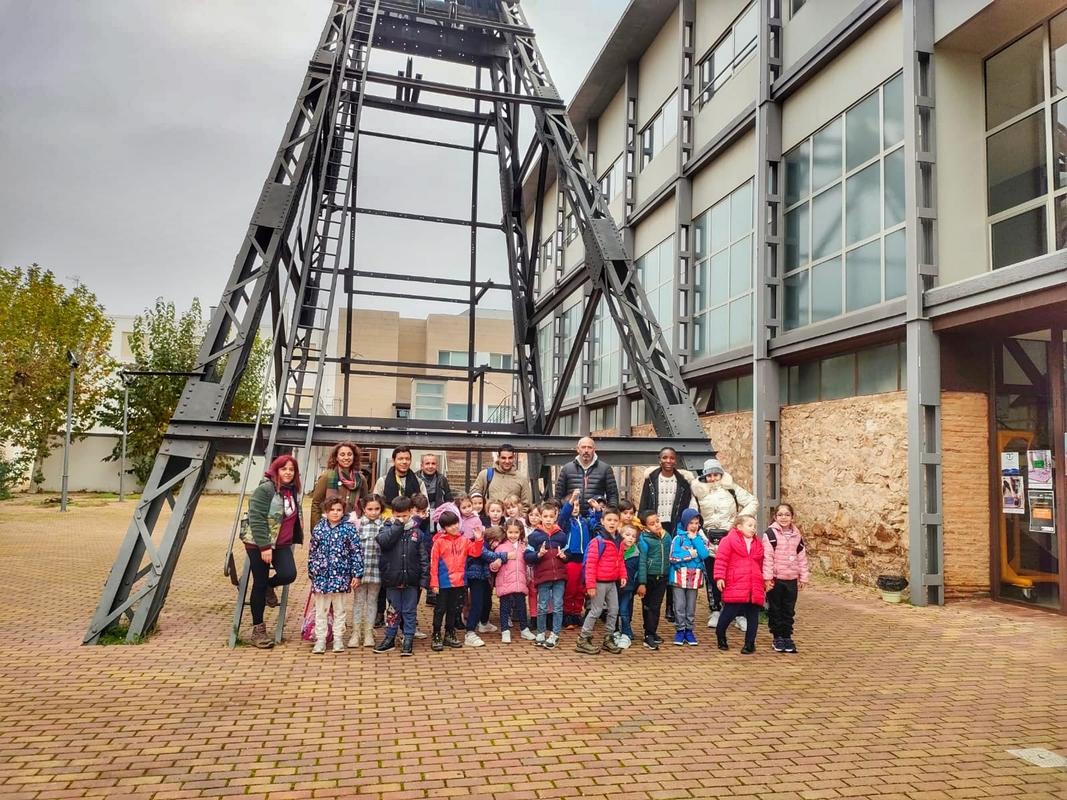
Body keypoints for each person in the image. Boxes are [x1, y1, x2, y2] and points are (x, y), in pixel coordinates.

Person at [241, 454, 303, 650]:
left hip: (281, 544)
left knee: (288, 574)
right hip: (259, 543)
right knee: (258, 582)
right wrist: (265, 547)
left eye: (291, 470)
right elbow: (256, 518)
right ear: (276, 470)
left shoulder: (292, 491)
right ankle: (258, 630)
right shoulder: (265, 489)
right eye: (284, 469)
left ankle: (270, 586)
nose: (288, 473)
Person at [690, 457, 758, 630]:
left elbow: (752, 501)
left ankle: (739, 613)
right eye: (709, 475)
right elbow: (693, 514)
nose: (713, 478)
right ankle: (716, 609)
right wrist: (699, 533)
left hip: (731, 538)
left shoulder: (732, 489)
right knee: (712, 577)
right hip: (708, 539)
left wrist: (739, 523)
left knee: (736, 577)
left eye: (716, 475)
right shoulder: (698, 493)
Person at [307, 498, 363, 654]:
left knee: (340, 609)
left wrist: (357, 574)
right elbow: (312, 551)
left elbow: (356, 552)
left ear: (343, 511)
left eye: (338, 510)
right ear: (326, 511)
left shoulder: (349, 529)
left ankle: (338, 638)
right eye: (332, 510)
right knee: (321, 610)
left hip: (341, 576)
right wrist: (312, 570)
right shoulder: (319, 529)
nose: (335, 513)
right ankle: (320, 639)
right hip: (321, 577)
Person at [374, 497, 428, 657]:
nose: (401, 519)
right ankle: (389, 637)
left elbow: (423, 557)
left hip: (411, 579)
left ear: (411, 512)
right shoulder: (387, 528)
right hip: (392, 578)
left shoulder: (416, 532)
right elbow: (383, 541)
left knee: (410, 611)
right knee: (393, 611)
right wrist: (397, 526)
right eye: (398, 516)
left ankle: (408, 638)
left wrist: (424, 578)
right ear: (393, 513)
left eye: (404, 516)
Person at [429, 510, 484, 651]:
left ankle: (449, 632)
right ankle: (436, 633)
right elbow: (433, 564)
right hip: (443, 582)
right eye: (449, 525)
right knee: (440, 609)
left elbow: (475, 552)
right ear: (444, 528)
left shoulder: (464, 540)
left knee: (454, 609)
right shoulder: (439, 542)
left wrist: (478, 540)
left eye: (455, 524)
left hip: (459, 582)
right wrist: (434, 583)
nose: (454, 527)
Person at [575, 507, 625, 655]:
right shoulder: (597, 541)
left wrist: (623, 575)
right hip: (598, 582)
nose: (612, 523)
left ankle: (608, 638)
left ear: (619, 523)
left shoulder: (619, 541)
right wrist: (590, 585)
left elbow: (620, 560)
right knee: (595, 611)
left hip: (612, 583)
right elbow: (590, 564)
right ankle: (583, 639)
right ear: (602, 521)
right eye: (609, 520)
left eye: (615, 520)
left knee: (614, 610)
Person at [714, 514, 766, 654]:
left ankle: (750, 643)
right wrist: (720, 577)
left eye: (755, 526)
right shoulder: (728, 540)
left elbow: (761, 564)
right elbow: (721, 560)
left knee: (753, 615)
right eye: (750, 525)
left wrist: (764, 580)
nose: (753, 529)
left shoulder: (757, 543)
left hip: (753, 584)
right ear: (739, 526)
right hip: (735, 582)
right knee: (729, 612)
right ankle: (720, 634)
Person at [763, 503, 809, 654]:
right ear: (775, 517)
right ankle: (777, 637)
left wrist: (803, 577)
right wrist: (768, 578)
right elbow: (767, 558)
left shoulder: (797, 535)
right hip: (776, 579)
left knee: (788, 610)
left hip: (791, 579)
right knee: (775, 609)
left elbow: (801, 557)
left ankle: (787, 636)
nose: (784, 518)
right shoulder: (770, 534)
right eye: (780, 515)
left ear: (792, 517)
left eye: (787, 515)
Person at [525, 501, 568, 648]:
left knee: (557, 606)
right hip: (543, 577)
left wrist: (564, 556)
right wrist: (538, 554)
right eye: (545, 516)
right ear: (541, 517)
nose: (548, 519)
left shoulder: (562, 535)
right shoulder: (534, 536)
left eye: (551, 516)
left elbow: (569, 554)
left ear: (556, 517)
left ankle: (555, 634)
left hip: (560, 577)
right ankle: (541, 632)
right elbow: (527, 556)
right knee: (542, 606)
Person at [490, 518, 536, 643]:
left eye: (516, 532)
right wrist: (495, 564)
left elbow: (528, 563)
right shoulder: (500, 547)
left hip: (520, 582)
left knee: (521, 607)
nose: (513, 535)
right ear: (506, 532)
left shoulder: (524, 547)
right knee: (505, 607)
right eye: (510, 532)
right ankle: (505, 630)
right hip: (505, 583)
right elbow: (493, 566)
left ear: (520, 532)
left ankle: (524, 629)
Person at [668, 508, 709, 647]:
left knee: (691, 607)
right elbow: (673, 557)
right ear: (685, 523)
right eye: (691, 522)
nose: (694, 526)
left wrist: (695, 540)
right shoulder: (678, 538)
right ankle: (680, 630)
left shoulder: (701, 538)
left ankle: (689, 630)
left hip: (694, 579)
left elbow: (704, 554)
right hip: (679, 578)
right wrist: (689, 555)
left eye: (697, 523)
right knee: (679, 605)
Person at [559, 488, 599, 628]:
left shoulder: (585, 521)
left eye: (577, 505)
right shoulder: (567, 523)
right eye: (572, 506)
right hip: (571, 559)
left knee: (581, 589)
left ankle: (576, 613)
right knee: (570, 589)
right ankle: (567, 614)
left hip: (584, 560)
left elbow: (598, 524)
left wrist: (598, 510)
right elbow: (563, 516)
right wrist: (571, 500)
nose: (575, 508)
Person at [349, 495, 385, 648]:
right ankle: (356, 632)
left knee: (372, 601)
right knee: (358, 601)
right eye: (370, 509)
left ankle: (369, 632)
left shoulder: (384, 525)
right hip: (360, 571)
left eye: (377, 509)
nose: (373, 512)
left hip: (377, 569)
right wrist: (353, 571)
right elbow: (352, 549)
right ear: (364, 509)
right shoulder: (356, 525)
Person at [464, 526, 507, 646]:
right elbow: (487, 555)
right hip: (476, 577)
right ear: (491, 537)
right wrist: (505, 555)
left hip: (484, 577)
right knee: (477, 604)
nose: (497, 544)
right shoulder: (480, 543)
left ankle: (484, 622)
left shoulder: (492, 547)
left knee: (487, 601)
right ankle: (470, 631)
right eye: (497, 540)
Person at [638, 447, 694, 536]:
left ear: (675, 461)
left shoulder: (683, 482)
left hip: (675, 525)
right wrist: (643, 523)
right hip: (654, 524)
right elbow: (644, 503)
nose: (668, 461)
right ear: (660, 460)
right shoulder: (651, 479)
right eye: (665, 457)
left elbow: (686, 505)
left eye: (672, 458)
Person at [636, 511, 671, 650]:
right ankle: (648, 634)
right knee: (648, 606)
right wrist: (642, 583)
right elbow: (642, 561)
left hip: (662, 576)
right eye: (652, 523)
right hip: (649, 577)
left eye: (657, 521)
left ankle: (652, 631)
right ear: (645, 527)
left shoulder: (666, 536)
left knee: (656, 606)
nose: (656, 525)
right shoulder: (644, 540)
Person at [555, 436, 619, 512]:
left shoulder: (605, 469)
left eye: (589, 447)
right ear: (578, 449)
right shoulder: (567, 469)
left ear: (594, 450)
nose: (586, 450)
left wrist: (610, 513)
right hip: (571, 517)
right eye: (583, 447)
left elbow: (613, 495)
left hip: (595, 517)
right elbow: (558, 496)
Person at [310, 441, 369, 520]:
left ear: (354, 457)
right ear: (336, 458)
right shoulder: (327, 476)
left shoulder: (361, 479)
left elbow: (365, 504)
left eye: (349, 454)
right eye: (342, 455)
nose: (346, 458)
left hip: (352, 525)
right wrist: (315, 529)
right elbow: (316, 504)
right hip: (329, 526)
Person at [616, 525, 640, 650]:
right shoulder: (616, 550)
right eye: (627, 535)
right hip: (615, 586)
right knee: (614, 610)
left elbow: (638, 572)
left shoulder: (636, 554)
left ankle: (626, 632)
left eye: (633, 536)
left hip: (628, 587)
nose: (630, 538)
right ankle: (615, 632)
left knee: (624, 610)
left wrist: (636, 585)